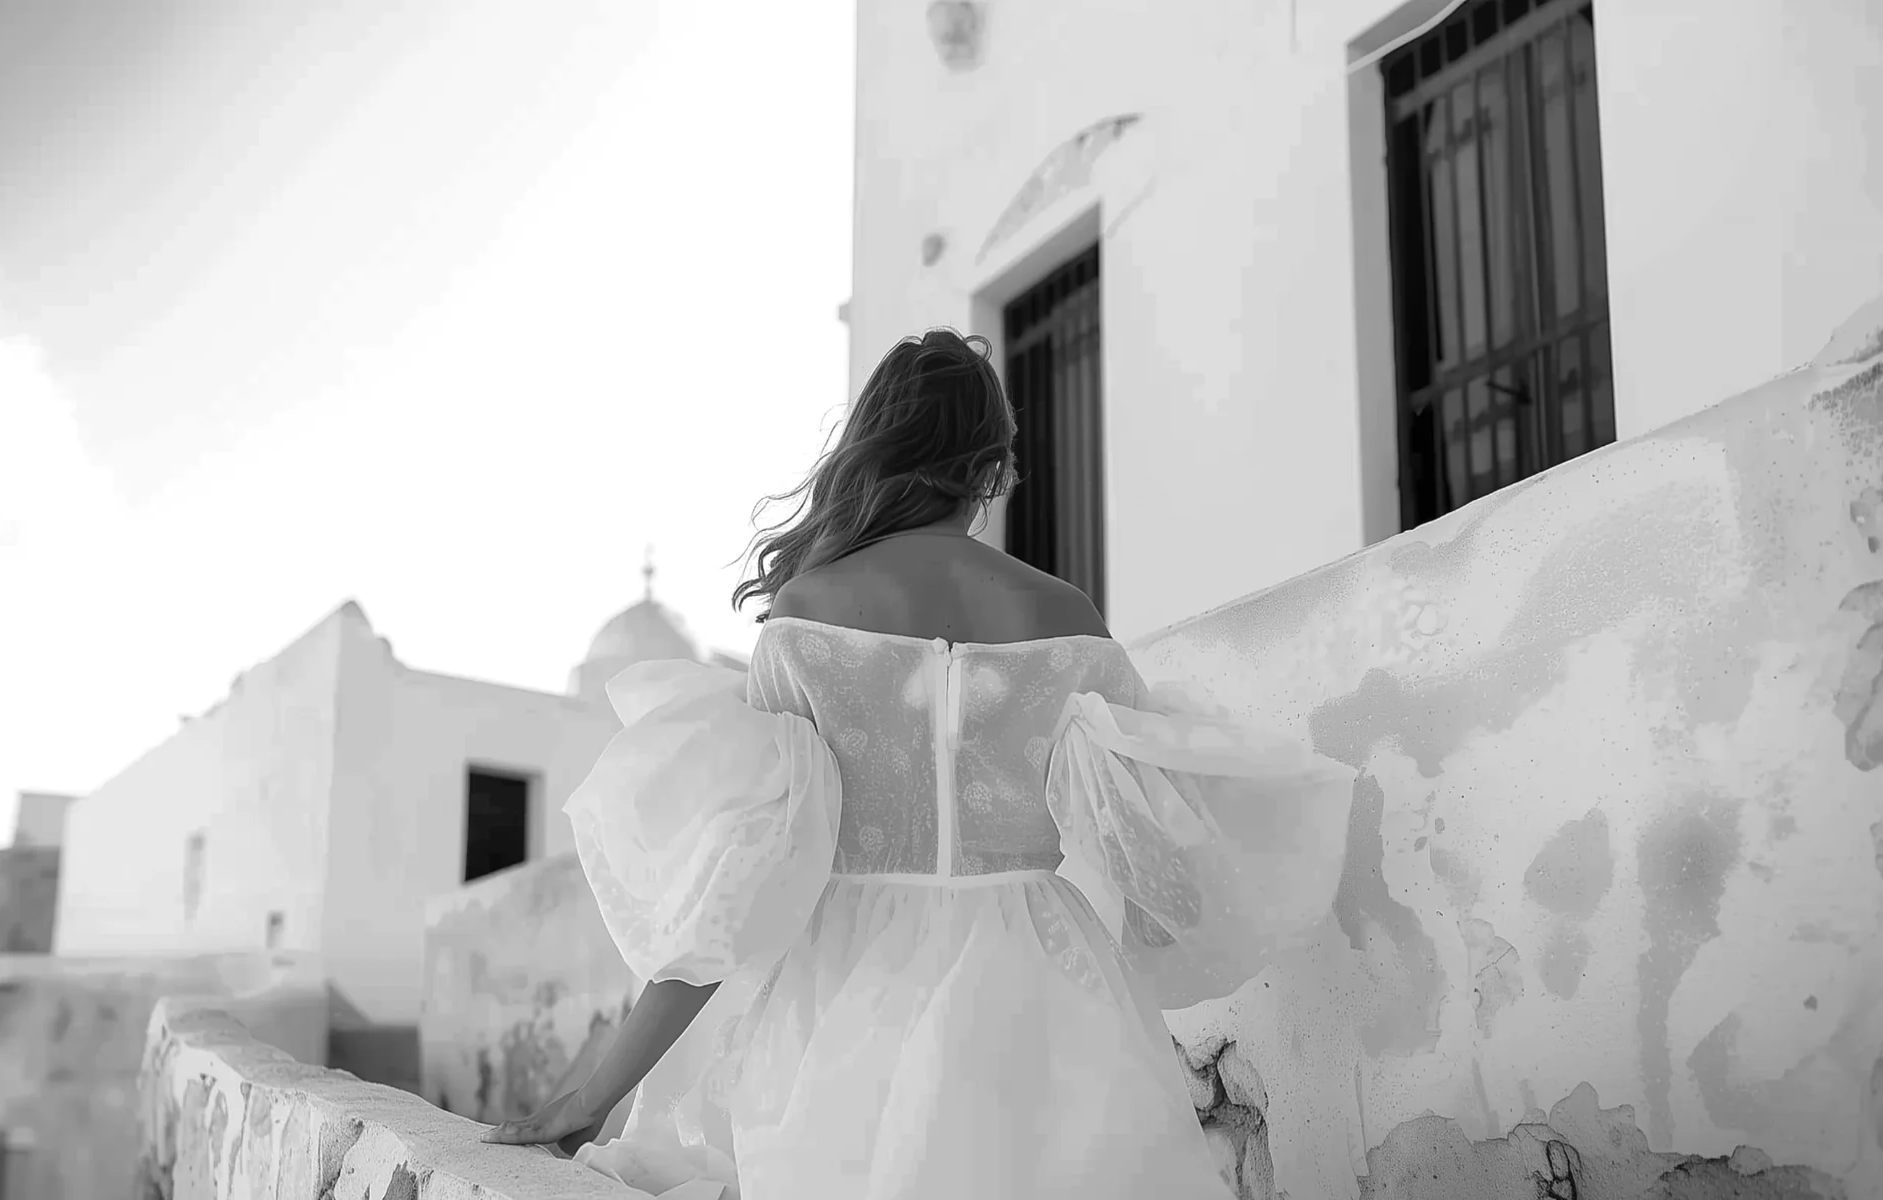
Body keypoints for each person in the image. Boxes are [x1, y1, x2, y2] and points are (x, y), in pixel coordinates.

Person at [479, 329, 1357, 1198]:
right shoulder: (1070, 622)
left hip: (844, 1003)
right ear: (991, 465)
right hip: (1051, 996)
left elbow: (726, 910)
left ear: (880, 448)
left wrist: (595, 1095)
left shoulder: (806, 618)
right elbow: (1175, 884)